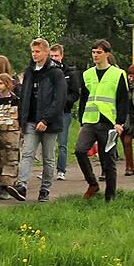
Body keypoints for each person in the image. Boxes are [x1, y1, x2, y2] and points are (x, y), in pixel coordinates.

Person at [75, 39, 131, 201]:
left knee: (108, 160)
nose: (95, 55)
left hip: (109, 122)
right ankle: (93, 183)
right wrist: (81, 121)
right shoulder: (87, 74)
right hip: (90, 121)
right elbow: (84, 100)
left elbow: (123, 100)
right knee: (80, 150)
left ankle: (110, 197)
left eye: (99, 52)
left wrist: (120, 122)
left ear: (107, 54)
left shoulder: (118, 74)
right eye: (93, 52)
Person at [16, 38, 67, 204]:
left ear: (45, 52)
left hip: (49, 123)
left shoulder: (55, 73)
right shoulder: (29, 72)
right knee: (28, 153)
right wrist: (21, 119)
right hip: (31, 120)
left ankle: (45, 188)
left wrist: (46, 119)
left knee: (48, 157)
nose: (35, 55)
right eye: (33, 52)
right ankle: (21, 185)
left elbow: (59, 99)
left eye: (38, 51)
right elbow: (24, 96)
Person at [50, 43, 78, 181]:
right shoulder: (45, 72)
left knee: (62, 142)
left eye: (56, 55)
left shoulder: (70, 74)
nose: (54, 58)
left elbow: (75, 93)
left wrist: (64, 101)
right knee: (48, 143)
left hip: (64, 111)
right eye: (52, 56)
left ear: (61, 56)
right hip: (49, 112)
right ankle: (47, 169)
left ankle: (61, 169)